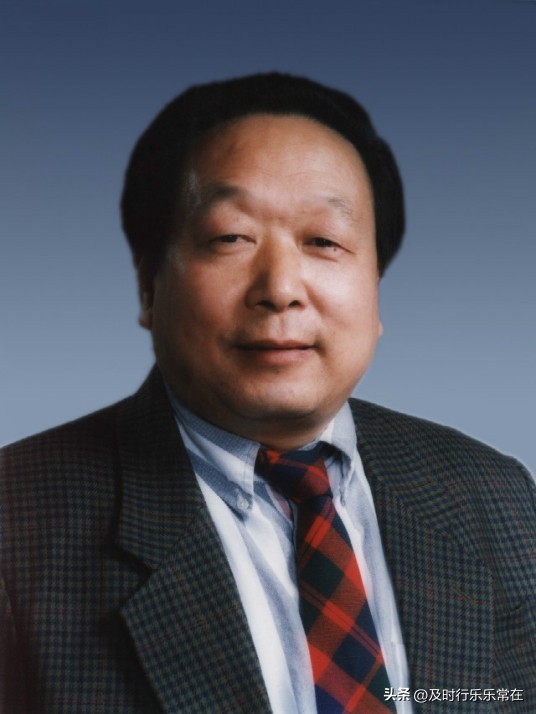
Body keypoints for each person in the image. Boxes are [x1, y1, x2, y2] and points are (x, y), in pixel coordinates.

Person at [1, 73, 534, 714]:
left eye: (324, 241)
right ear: (148, 285)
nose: (280, 288)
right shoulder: (16, 525)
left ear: (375, 287)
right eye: (231, 237)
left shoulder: (495, 497)